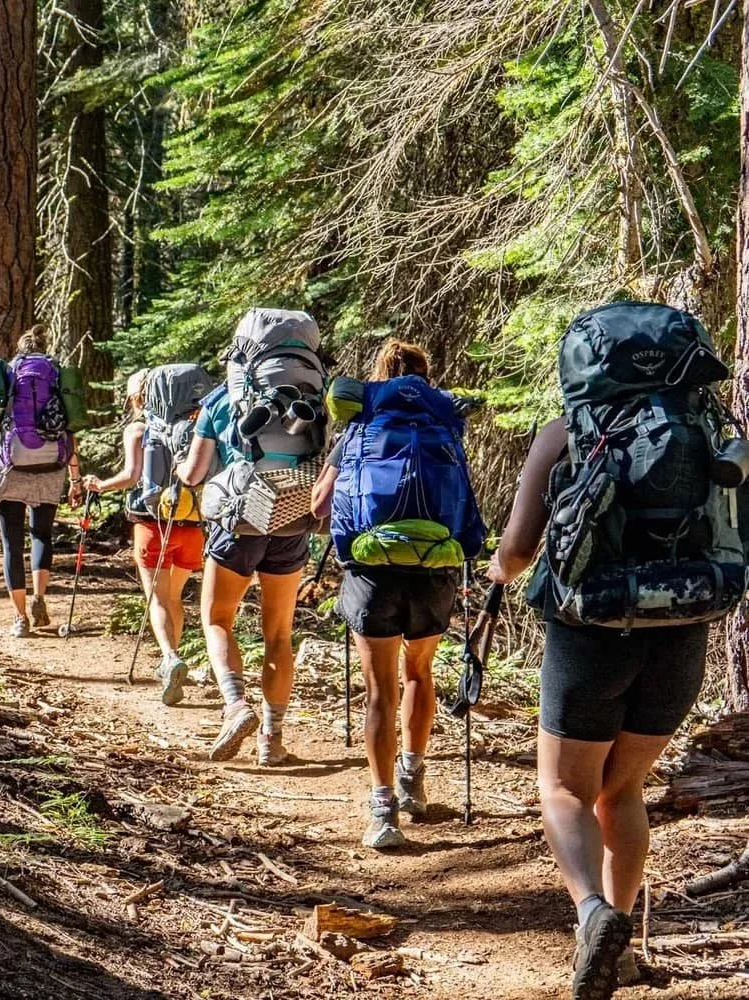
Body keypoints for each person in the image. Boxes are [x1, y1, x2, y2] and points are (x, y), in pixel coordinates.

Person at [489, 301, 735, 1000]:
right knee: (621, 790)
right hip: (682, 629)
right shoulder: (709, 431)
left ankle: (593, 913)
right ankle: (620, 944)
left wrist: (499, 572)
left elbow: (518, 550)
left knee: (565, 788)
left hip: (590, 635)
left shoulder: (566, 432)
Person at [311, 340, 479, 850]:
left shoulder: (360, 425)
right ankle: (412, 776)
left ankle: (382, 809)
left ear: (377, 378)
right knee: (418, 673)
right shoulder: (443, 425)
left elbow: (320, 505)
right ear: (427, 378)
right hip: (434, 568)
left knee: (380, 688)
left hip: (372, 570)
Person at [177, 309, 325, 764]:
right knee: (279, 632)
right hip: (293, 516)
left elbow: (194, 473)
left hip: (239, 522)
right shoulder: (317, 393)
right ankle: (271, 739)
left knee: (217, 619)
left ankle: (236, 705)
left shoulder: (224, 399)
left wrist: (181, 468)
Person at [84, 367, 209, 704]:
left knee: (158, 599)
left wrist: (100, 485)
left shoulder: (139, 429)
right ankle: (173, 658)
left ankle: (169, 657)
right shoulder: (198, 425)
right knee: (174, 597)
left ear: (139, 398)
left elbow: (131, 475)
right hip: (191, 524)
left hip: (152, 524)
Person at [0, 326, 83, 636]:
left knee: (11, 543)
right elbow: (69, 432)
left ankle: (21, 618)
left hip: (12, 465)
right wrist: (75, 479)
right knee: (42, 535)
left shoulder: (7, 376)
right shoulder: (56, 375)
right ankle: (39, 597)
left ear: (20, 349)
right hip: (51, 465)